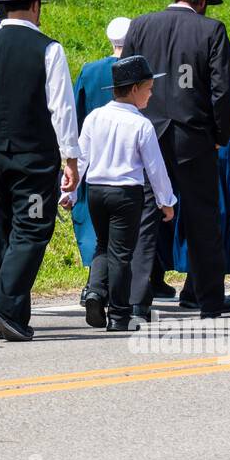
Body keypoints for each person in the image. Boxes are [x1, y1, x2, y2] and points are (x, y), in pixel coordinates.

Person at [0, 0, 81, 342]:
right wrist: (71, 158)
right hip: (34, 158)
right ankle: (4, 306)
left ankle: (15, 317)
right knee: (32, 230)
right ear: (35, 6)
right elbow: (61, 107)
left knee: (9, 232)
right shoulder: (49, 49)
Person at [123, 0, 230, 319]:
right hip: (193, 137)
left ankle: (137, 300)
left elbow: (125, 78)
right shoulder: (211, 30)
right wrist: (220, 136)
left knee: (145, 217)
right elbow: (224, 90)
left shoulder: (141, 25)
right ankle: (208, 300)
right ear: (203, 1)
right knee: (203, 219)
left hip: (147, 133)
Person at [61, 55, 176, 331]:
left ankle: (95, 292)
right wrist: (166, 201)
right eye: (148, 88)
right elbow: (155, 169)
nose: (151, 94)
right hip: (127, 194)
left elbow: (81, 159)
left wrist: (69, 193)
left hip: (97, 192)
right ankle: (119, 314)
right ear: (135, 89)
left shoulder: (94, 117)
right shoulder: (141, 125)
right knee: (122, 253)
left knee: (103, 244)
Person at [171, 84, 230, 283]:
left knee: (192, 214)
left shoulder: (183, 86)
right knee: (222, 216)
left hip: (185, 152)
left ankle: (192, 285)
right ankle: (206, 287)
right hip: (222, 154)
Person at [70, 16, 127, 275]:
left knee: (93, 219)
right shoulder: (138, 70)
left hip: (93, 154)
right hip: (127, 155)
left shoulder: (89, 70)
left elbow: (76, 113)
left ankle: (94, 277)